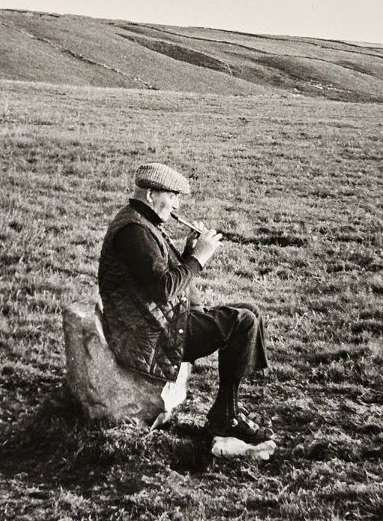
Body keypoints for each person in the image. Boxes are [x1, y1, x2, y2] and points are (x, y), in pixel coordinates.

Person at [97, 162, 271, 443]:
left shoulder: (144, 222)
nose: (176, 204)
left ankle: (230, 404)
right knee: (244, 321)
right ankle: (225, 416)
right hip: (146, 335)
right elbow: (164, 288)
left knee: (251, 311)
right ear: (152, 194)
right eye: (173, 195)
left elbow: (160, 276)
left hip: (156, 321)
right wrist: (199, 257)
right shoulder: (134, 232)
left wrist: (188, 251)